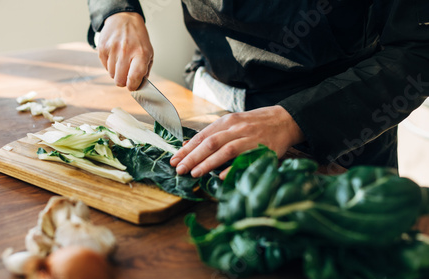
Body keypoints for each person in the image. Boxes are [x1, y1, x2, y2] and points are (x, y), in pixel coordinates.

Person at [87, 0, 429, 179]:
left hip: (340, 124)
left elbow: (418, 52)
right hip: (207, 99)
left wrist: (290, 121)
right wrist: (117, 10)